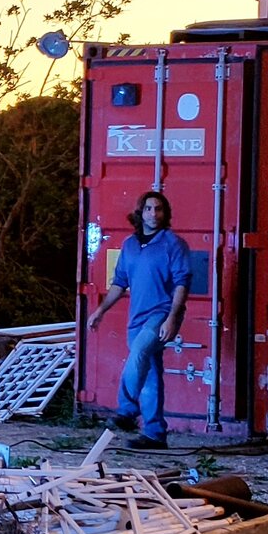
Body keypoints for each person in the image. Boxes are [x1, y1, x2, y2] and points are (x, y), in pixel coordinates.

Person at [90, 188, 190, 447]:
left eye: (158, 209)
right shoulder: (130, 245)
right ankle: (155, 435)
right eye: (148, 208)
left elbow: (181, 284)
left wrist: (171, 318)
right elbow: (119, 283)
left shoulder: (173, 244)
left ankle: (126, 409)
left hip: (162, 315)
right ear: (140, 213)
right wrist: (100, 311)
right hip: (136, 318)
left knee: (139, 353)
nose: (153, 213)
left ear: (165, 213)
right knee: (150, 375)